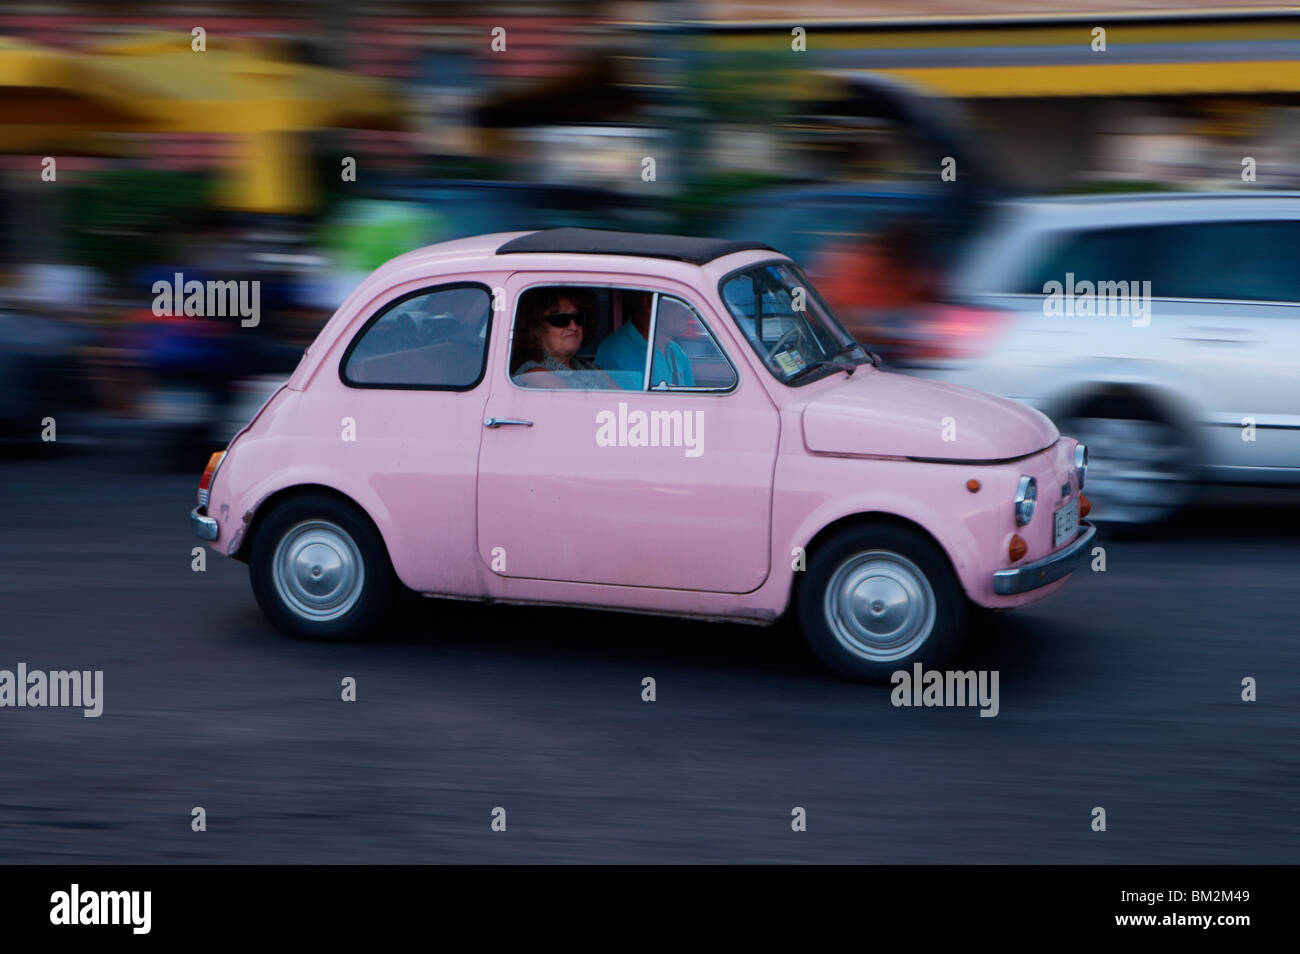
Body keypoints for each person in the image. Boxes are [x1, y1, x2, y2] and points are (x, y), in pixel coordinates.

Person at [595, 291, 695, 388]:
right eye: (676, 298)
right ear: (649, 302)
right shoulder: (616, 353)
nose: (687, 308)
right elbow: (627, 403)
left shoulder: (678, 353)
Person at [512, 290, 601, 386]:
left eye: (578, 317)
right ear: (535, 328)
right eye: (560, 319)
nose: (573, 327)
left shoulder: (589, 367)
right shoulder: (536, 375)